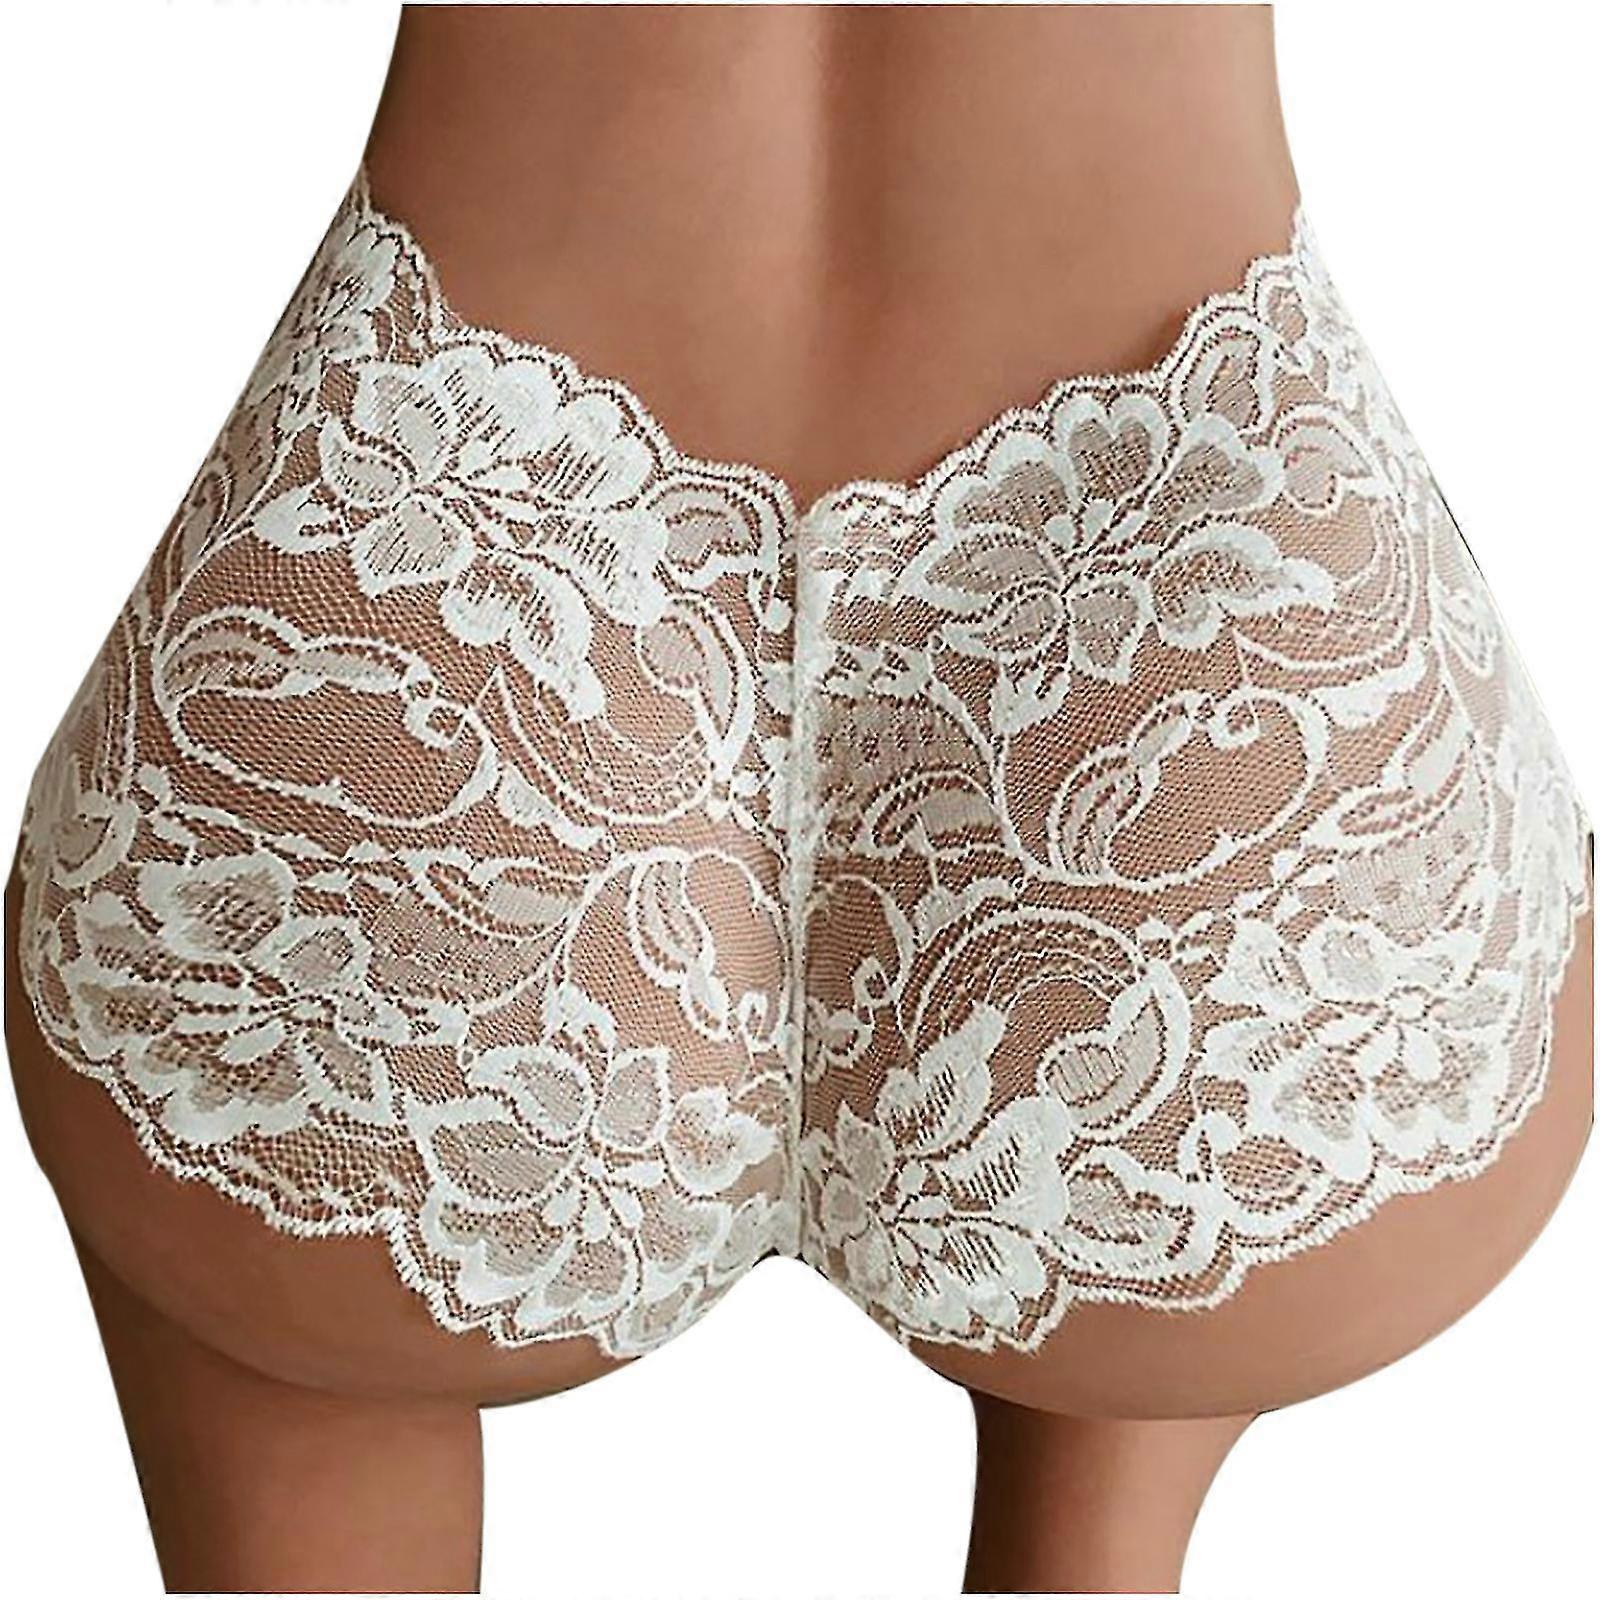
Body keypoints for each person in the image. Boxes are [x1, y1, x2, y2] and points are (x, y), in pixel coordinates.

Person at [5, 6, 1591, 1592]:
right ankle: (1103, 1474)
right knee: (1136, 1341)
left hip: (437, 548)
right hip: (1181, 584)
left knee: (286, 1387)